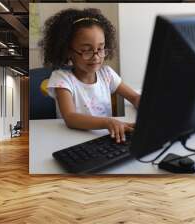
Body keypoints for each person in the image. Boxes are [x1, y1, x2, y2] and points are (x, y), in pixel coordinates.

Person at [40, 8, 140, 143]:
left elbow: (134, 97)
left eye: (100, 48)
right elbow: (70, 117)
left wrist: (148, 108)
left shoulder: (107, 74)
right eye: (86, 50)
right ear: (68, 51)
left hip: (104, 138)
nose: (96, 57)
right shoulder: (61, 79)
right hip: (69, 141)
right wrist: (108, 122)